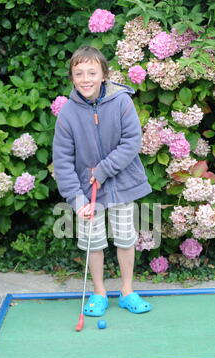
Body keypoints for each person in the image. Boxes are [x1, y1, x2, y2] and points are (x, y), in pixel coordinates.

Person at [52, 45, 152, 316]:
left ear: (104, 75)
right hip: (86, 192)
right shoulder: (68, 115)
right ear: (72, 77)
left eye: (92, 72)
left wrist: (104, 169)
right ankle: (98, 292)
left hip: (121, 185)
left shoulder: (122, 102)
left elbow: (132, 142)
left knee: (125, 238)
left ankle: (127, 291)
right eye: (79, 73)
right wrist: (76, 198)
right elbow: (62, 161)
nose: (86, 79)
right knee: (92, 243)